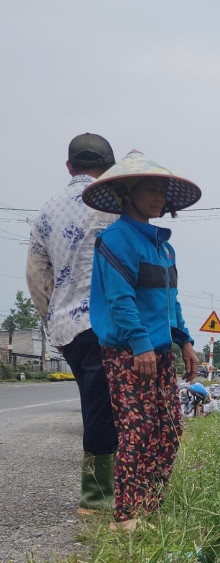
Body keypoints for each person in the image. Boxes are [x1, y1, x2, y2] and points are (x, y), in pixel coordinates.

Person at [82, 151, 202, 530]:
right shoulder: (116, 240)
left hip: (160, 350)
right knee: (137, 429)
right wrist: (139, 344)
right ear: (126, 194)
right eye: (149, 189)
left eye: (161, 190)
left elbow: (170, 301)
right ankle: (125, 515)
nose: (158, 197)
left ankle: (149, 506)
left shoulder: (163, 248)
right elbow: (121, 299)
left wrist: (184, 341)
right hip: (128, 352)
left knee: (169, 428)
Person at [25, 133, 120, 515]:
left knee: (96, 405)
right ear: (109, 166)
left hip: (68, 330)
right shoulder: (116, 202)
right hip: (110, 323)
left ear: (70, 167)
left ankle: (106, 492)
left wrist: (52, 318)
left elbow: (36, 273)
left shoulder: (47, 210)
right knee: (107, 409)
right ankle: (96, 500)